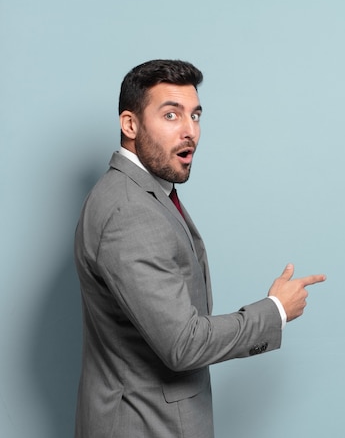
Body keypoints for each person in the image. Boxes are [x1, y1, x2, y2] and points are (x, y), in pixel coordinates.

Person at [73, 59, 326, 438]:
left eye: (195, 115)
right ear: (130, 124)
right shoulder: (129, 212)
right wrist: (275, 311)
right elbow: (183, 344)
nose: (190, 131)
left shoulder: (146, 193)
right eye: (171, 115)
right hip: (143, 424)